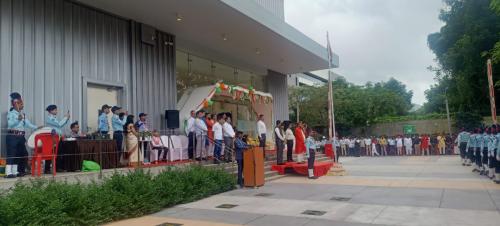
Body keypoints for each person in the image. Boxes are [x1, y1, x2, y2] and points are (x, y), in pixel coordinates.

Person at [5, 92, 41, 178]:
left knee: (20, 153)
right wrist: (18, 119)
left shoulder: (22, 114)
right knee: (12, 154)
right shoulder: (11, 114)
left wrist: (37, 127)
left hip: (21, 137)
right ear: (15, 104)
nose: (22, 105)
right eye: (21, 104)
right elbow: (10, 124)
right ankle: (8, 172)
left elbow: (28, 124)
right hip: (13, 136)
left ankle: (15, 171)